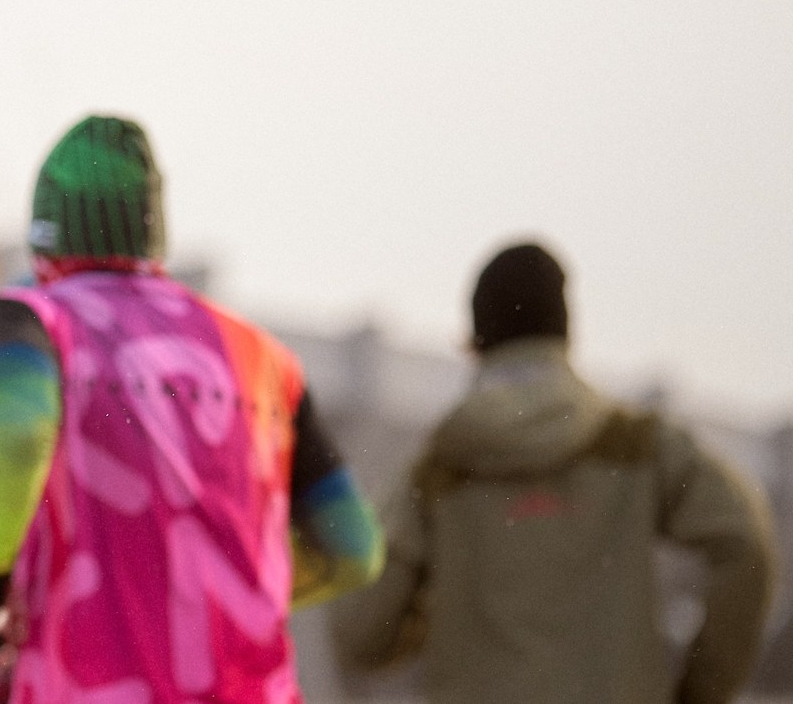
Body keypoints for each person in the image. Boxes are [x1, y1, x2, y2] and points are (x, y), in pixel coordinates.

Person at [0, 116, 382, 703]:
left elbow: (16, 430)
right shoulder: (265, 360)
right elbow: (353, 549)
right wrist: (215, 588)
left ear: (45, 233)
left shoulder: (32, 320)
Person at [331, 241, 778, 704]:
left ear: (476, 343)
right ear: (566, 332)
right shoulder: (638, 445)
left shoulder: (438, 470)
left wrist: (430, 613)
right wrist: (703, 690)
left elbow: (359, 634)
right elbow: (744, 540)